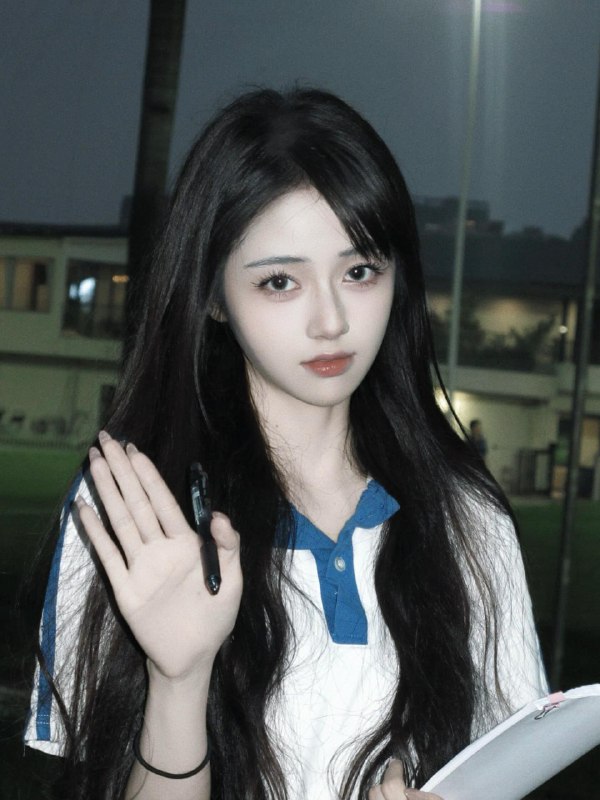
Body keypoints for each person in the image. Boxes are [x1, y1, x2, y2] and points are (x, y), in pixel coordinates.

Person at [26, 88, 547, 800]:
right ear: (213, 296)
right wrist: (180, 678)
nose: (331, 320)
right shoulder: (133, 512)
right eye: (280, 281)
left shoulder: (467, 517)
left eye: (359, 271)